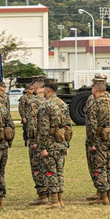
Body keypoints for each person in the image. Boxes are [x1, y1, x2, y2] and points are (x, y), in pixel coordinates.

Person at [84, 75, 110, 205]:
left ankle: (103, 196)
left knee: (99, 167)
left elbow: (91, 126)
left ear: (95, 89)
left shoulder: (94, 103)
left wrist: (91, 143)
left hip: (99, 139)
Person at [37, 80, 72, 208]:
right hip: (61, 142)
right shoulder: (63, 104)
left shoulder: (45, 105)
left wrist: (43, 147)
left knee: (50, 172)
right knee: (59, 171)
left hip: (51, 143)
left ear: (48, 89)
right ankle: (60, 199)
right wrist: (66, 143)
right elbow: (68, 126)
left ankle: (53, 200)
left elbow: (43, 128)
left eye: (44, 88)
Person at [24, 78, 49, 205]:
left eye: (33, 86)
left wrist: (33, 140)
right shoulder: (49, 100)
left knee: (37, 167)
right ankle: (51, 192)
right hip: (50, 139)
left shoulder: (34, 102)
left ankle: (42, 195)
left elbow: (32, 123)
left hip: (38, 139)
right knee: (49, 166)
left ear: (37, 86)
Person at [17, 82, 36, 146]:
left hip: (33, 116)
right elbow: (21, 108)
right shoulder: (23, 98)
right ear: (27, 90)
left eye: (32, 89)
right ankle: (26, 141)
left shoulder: (34, 97)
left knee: (33, 129)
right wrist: (23, 117)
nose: (31, 90)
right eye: (30, 89)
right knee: (26, 129)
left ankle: (32, 141)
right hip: (27, 116)